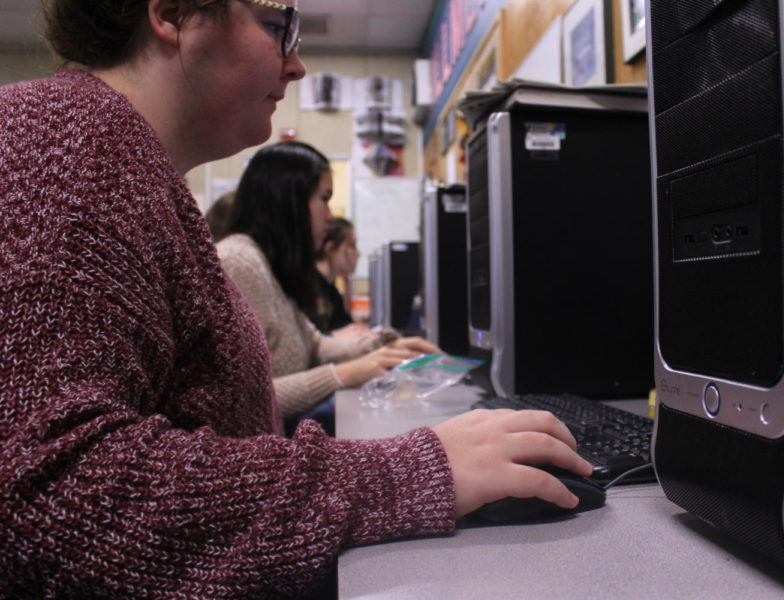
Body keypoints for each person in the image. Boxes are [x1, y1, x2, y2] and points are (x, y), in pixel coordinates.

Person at [0, 0, 593, 597]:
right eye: (278, 29)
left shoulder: (125, 166)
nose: (297, 66)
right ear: (173, 13)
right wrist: (407, 472)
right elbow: (52, 496)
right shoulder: (64, 142)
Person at [217, 141, 433, 426]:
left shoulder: (269, 264)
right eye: (325, 198)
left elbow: (315, 346)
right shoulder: (238, 263)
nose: (330, 217)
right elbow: (240, 400)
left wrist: (384, 346)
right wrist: (345, 374)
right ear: (289, 201)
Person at [312, 217, 368, 336]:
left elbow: (344, 325)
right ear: (331, 248)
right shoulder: (309, 286)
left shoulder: (330, 288)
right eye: (352, 245)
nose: (358, 253)